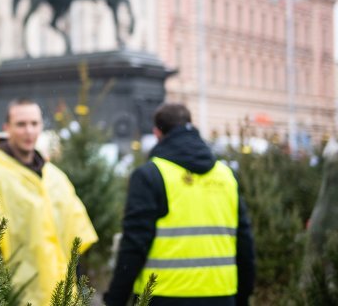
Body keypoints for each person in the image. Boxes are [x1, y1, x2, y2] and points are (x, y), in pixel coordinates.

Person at [104, 103, 256, 306]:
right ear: (190, 126)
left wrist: (116, 299)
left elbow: (134, 244)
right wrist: (243, 296)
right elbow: (244, 243)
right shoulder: (226, 176)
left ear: (158, 132)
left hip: (162, 297)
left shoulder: (150, 175)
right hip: (221, 296)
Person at [0, 99, 98, 306]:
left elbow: (76, 238)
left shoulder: (56, 178)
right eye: (21, 124)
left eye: (34, 123)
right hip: (16, 297)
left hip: (61, 296)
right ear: (6, 128)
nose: (29, 131)